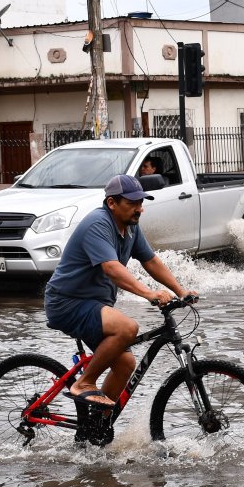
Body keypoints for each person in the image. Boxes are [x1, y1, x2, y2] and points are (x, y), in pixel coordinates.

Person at [44, 174, 195, 409]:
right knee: (127, 327)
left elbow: (151, 260)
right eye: (132, 204)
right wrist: (148, 293)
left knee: (125, 364)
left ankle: (95, 429)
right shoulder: (98, 223)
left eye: (141, 203)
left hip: (94, 305)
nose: (139, 210)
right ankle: (84, 383)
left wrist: (180, 290)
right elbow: (111, 268)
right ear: (112, 203)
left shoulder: (130, 228)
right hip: (68, 303)